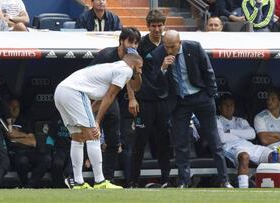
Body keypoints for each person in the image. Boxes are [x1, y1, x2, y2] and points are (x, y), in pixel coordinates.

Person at [151, 30, 232, 188]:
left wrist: (210, 94)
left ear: (179, 42)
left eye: (172, 47)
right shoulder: (158, 54)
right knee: (180, 143)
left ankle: (225, 180)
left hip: (201, 97)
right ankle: (184, 182)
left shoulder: (194, 47)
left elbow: (208, 71)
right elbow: (156, 83)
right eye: (166, 46)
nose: (169, 50)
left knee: (214, 140)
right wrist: (163, 68)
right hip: (180, 102)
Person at [54, 54, 143, 189]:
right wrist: (96, 121)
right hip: (75, 92)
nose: (141, 71)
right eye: (140, 67)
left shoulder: (115, 67)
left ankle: (78, 183)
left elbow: (102, 99)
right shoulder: (126, 70)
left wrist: (89, 115)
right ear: (134, 65)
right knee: (94, 135)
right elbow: (110, 96)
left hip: (61, 91)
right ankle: (100, 182)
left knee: (78, 137)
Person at [89, 27, 142, 183]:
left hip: (110, 97)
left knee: (113, 140)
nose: (133, 45)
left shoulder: (133, 58)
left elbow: (133, 82)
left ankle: (108, 179)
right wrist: (92, 111)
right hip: (92, 94)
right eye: (130, 41)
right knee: (87, 134)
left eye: (136, 42)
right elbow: (88, 76)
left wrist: (132, 98)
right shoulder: (107, 55)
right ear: (121, 41)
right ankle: (76, 177)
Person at [129, 9, 172, 188]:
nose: (156, 29)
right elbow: (129, 73)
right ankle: (132, 181)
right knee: (140, 141)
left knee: (164, 141)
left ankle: (166, 180)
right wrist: (132, 98)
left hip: (163, 100)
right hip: (145, 100)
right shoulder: (140, 45)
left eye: (159, 25)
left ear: (164, 26)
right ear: (148, 26)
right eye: (153, 26)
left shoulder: (169, 43)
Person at [217, 94, 274, 188]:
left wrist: (230, 131)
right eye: (225, 105)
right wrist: (242, 134)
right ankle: (244, 189)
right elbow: (222, 138)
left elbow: (252, 134)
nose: (229, 107)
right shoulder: (217, 119)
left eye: (231, 105)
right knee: (244, 156)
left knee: (275, 156)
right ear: (219, 107)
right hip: (231, 147)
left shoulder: (241, 120)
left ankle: (270, 186)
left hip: (249, 146)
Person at [5, 97, 52, 188]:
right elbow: (9, 136)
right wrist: (25, 136)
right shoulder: (5, 121)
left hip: (29, 151)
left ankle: (29, 187)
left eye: (17, 106)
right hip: (15, 153)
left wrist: (15, 136)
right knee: (22, 161)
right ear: (7, 107)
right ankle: (27, 185)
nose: (15, 109)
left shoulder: (23, 121)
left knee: (46, 159)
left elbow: (33, 141)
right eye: (12, 106)